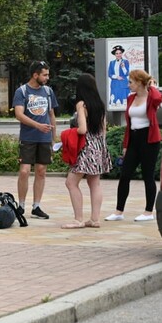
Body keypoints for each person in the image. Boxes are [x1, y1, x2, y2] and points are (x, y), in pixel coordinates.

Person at [106, 69, 161, 222]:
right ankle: (118, 211)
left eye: (130, 82)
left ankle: (149, 212)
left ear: (139, 82)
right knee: (125, 175)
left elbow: (158, 99)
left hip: (149, 140)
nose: (128, 84)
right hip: (134, 139)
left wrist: (152, 86)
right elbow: (129, 124)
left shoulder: (151, 97)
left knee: (148, 176)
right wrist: (125, 145)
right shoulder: (131, 98)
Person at [62, 74, 111, 229]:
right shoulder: (99, 104)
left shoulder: (81, 105)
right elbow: (104, 129)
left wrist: (70, 132)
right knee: (94, 183)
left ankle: (78, 219)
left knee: (71, 182)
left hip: (86, 147)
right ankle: (95, 219)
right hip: (99, 145)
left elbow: (82, 129)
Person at [13, 61, 58, 218]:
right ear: (35, 75)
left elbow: (51, 115)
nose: (47, 78)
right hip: (28, 137)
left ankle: (36, 206)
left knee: (41, 171)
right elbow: (19, 114)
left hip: (44, 138)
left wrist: (54, 139)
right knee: (24, 171)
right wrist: (38, 126)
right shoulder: (22, 91)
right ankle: (21, 205)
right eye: (44, 75)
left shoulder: (47, 91)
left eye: (47, 74)